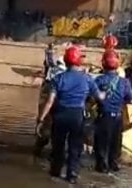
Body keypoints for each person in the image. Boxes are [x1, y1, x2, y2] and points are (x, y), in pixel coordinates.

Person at [36, 46, 105, 184]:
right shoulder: (87, 79)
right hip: (77, 117)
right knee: (75, 147)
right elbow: (100, 97)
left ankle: (55, 172)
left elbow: (50, 101)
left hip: (60, 115)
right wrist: (105, 93)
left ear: (66, 62)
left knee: (58, 146)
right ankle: (72, 174)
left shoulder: (57, 78)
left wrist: (41, 119)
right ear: (78, 61)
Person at [94, 51, 132, 173]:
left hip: (103, 117)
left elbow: (90, 97)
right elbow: (131, 100)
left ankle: (102, 170)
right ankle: (114, 166)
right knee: (115, 145)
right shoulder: (124, 82)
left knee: (101, 146)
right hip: (118, 118)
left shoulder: (99, 80)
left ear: (103, 64)